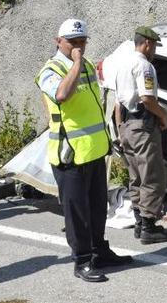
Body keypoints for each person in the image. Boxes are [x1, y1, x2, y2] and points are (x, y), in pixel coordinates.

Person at [36, 18, 132, 283]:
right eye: (73, 42)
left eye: (82, 42)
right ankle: (82, 261)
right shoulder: (51, 69)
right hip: (69, 155)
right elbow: (61, 95)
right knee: (77, 212)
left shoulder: (88, 65)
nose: (79, 47)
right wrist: (76, 62)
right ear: (59, 41)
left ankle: (99, 251)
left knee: (98, 207)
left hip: (93, 150)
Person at [112, 26, 167, 244]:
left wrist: (120, 129)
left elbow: (117, 103)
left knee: (135, 176)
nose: (155, 50)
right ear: (146, 43)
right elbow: (147, 99)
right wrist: (164, 116)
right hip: (143, 126)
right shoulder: (144, 66)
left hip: (127, 127)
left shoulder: (121, 66)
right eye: (155, 45)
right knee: (152, 175)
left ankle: (139, 222)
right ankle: (149, 226)